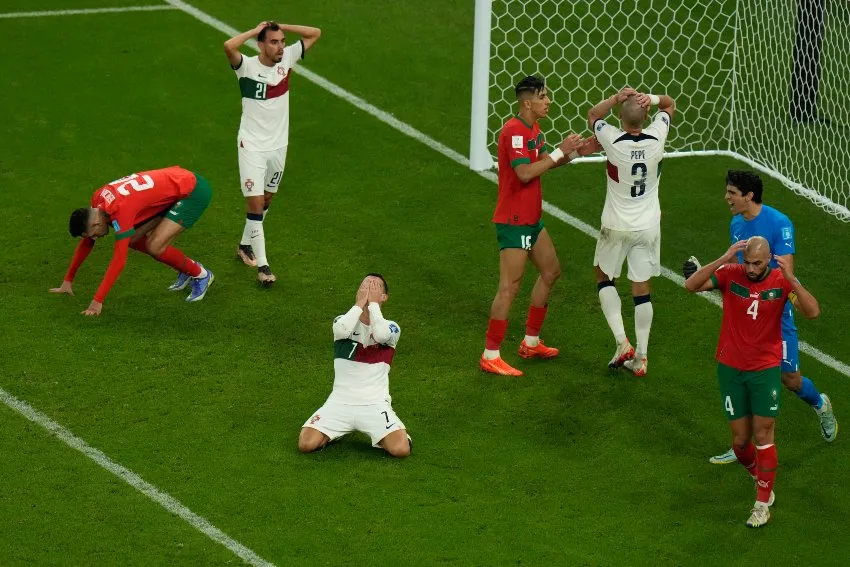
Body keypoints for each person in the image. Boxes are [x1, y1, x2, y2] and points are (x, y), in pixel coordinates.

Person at [684, 170, 837, 464]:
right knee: (744, 375)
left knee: (790, 379)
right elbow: (742, 273)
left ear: (748, 196)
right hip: (747, 314)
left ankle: (820, 404)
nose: (726, 198)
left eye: (731, 192)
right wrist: (715, 280)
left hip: (775, 313)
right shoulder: (737, 224)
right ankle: (743, 443)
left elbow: (783, 274)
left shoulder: (779, 224)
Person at [685, 236, 820, 527]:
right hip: (730, 368)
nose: (750, 268)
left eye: (757, 263)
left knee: (763, 435)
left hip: (764, 370)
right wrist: (724, 257)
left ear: (769, 259)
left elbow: (812, 312)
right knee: (740, 442)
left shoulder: (781, 283)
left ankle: (761, 504)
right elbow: (691, 285)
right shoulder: (732, 274)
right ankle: (759, 477)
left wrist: (792, 279)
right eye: (747, 262)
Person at [480, 75, 597, 377]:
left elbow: (545, 161)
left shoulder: (534, 128)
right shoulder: (513, 132)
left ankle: (530, 341)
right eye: (544, 96)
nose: (549, 101)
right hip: (514, 221)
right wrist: (559, 152)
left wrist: (574, 152)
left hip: (532, 219)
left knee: (551, 270)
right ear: (528, 102)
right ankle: (490, 354)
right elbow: (525, 174)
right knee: (510, 287)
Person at [224, 20, 322, 286]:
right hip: (252, 146)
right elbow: (228, 46)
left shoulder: (287, 58)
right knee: (255, 203)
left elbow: (315, 33)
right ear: (261, 45)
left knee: (267, 199)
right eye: (274, 42)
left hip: (279, 145)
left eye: (282, 41)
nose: (280, 47)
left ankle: (245, 245)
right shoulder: (245, 66)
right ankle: (264, 267)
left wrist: (285, 27)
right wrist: (256, 30)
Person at [586, 88, 675, 376]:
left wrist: (616, 98)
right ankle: (642, 356)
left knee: (603, 275)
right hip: (647, 226)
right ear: (647, 115)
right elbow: (670, 103)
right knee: (642, 288)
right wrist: (648, 98)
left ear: (620, 118)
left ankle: (622, 342)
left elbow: (593, 115)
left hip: (615, 224)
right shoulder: (658, 136)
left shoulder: (612, 139)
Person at [50, 166, 214, 315]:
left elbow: (119, 260)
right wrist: (67, 281)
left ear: (96, 223)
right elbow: (87, 243)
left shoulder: (120, 210)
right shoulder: (98, 199)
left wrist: (97, 301)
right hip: (172, 187)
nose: (94, 238)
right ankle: (186, 270)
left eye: (93, 234)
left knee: (155, 246)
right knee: (132, 240)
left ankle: (202, 275)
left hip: (192, 192)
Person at [299, 274, 411, 458]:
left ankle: (398, 433)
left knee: (401, 450)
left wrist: (373, 305)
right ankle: (335, 434)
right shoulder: (342, 321)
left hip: (374, 404)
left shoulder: (392, 327)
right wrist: (359, 305)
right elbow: (341, 330)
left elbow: (382, 336)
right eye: (365, 286)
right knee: (306, 444)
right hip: (339, 403)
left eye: (375, 287)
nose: (369, 289)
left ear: (384, 297)